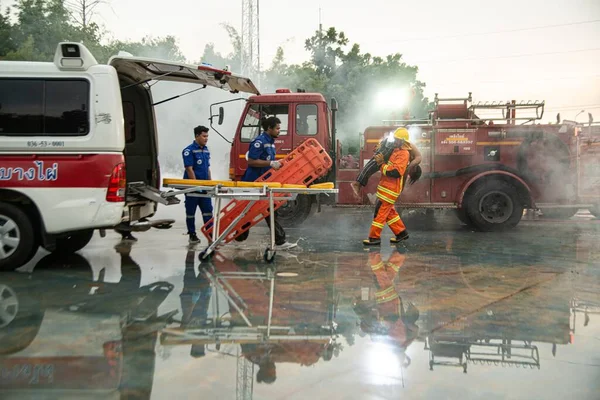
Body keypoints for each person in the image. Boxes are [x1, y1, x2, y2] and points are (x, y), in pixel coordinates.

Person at [235, 116, 296, 250]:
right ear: (269, 128)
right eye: (278, 128)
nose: (279, 131)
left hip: (264, 183)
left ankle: (279, 241)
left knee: (269, 211)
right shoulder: (259, 142)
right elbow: (251, 161)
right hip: (253, 183)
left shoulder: (270, 142)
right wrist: (270, 163)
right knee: (248, 211)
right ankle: (238, 235)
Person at [363, 127, 412, 245]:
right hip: (386, 189)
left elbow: (395, 172)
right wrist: (378, 150)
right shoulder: (396, 151)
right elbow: (384, 158)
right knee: (390, 213)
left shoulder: (404, 154)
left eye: (397, 139)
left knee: (380, 213)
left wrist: (382, 165)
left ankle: (374, 238)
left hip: (390, 190)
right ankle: (401, 233)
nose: (394, 141)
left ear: (402, 141)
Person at [351, 127, 422, 199]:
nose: (409, 174)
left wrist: (399, 191)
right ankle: (358, 183)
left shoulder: (405, 160)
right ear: (415, 169)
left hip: (389, 147)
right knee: (376, 162)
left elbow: (403, 178)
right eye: (411, 174)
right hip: (389, 144)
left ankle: (359, 183)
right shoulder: (411, 152)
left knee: (376, 164)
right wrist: (409, 167)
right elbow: (419, 157)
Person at [182, 126, 213, 244]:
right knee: (191, 212)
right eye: (204, 136)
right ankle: (192, 234)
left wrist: (211, 184)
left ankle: (210, 233)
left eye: (207, 136)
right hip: (192, 188)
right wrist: (196, 185)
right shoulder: (188, 151)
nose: (206, 139)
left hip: (204, 188)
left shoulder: (206, 150)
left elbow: (207, 168)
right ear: (197, 136)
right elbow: (189, 169)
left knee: (208, 211)